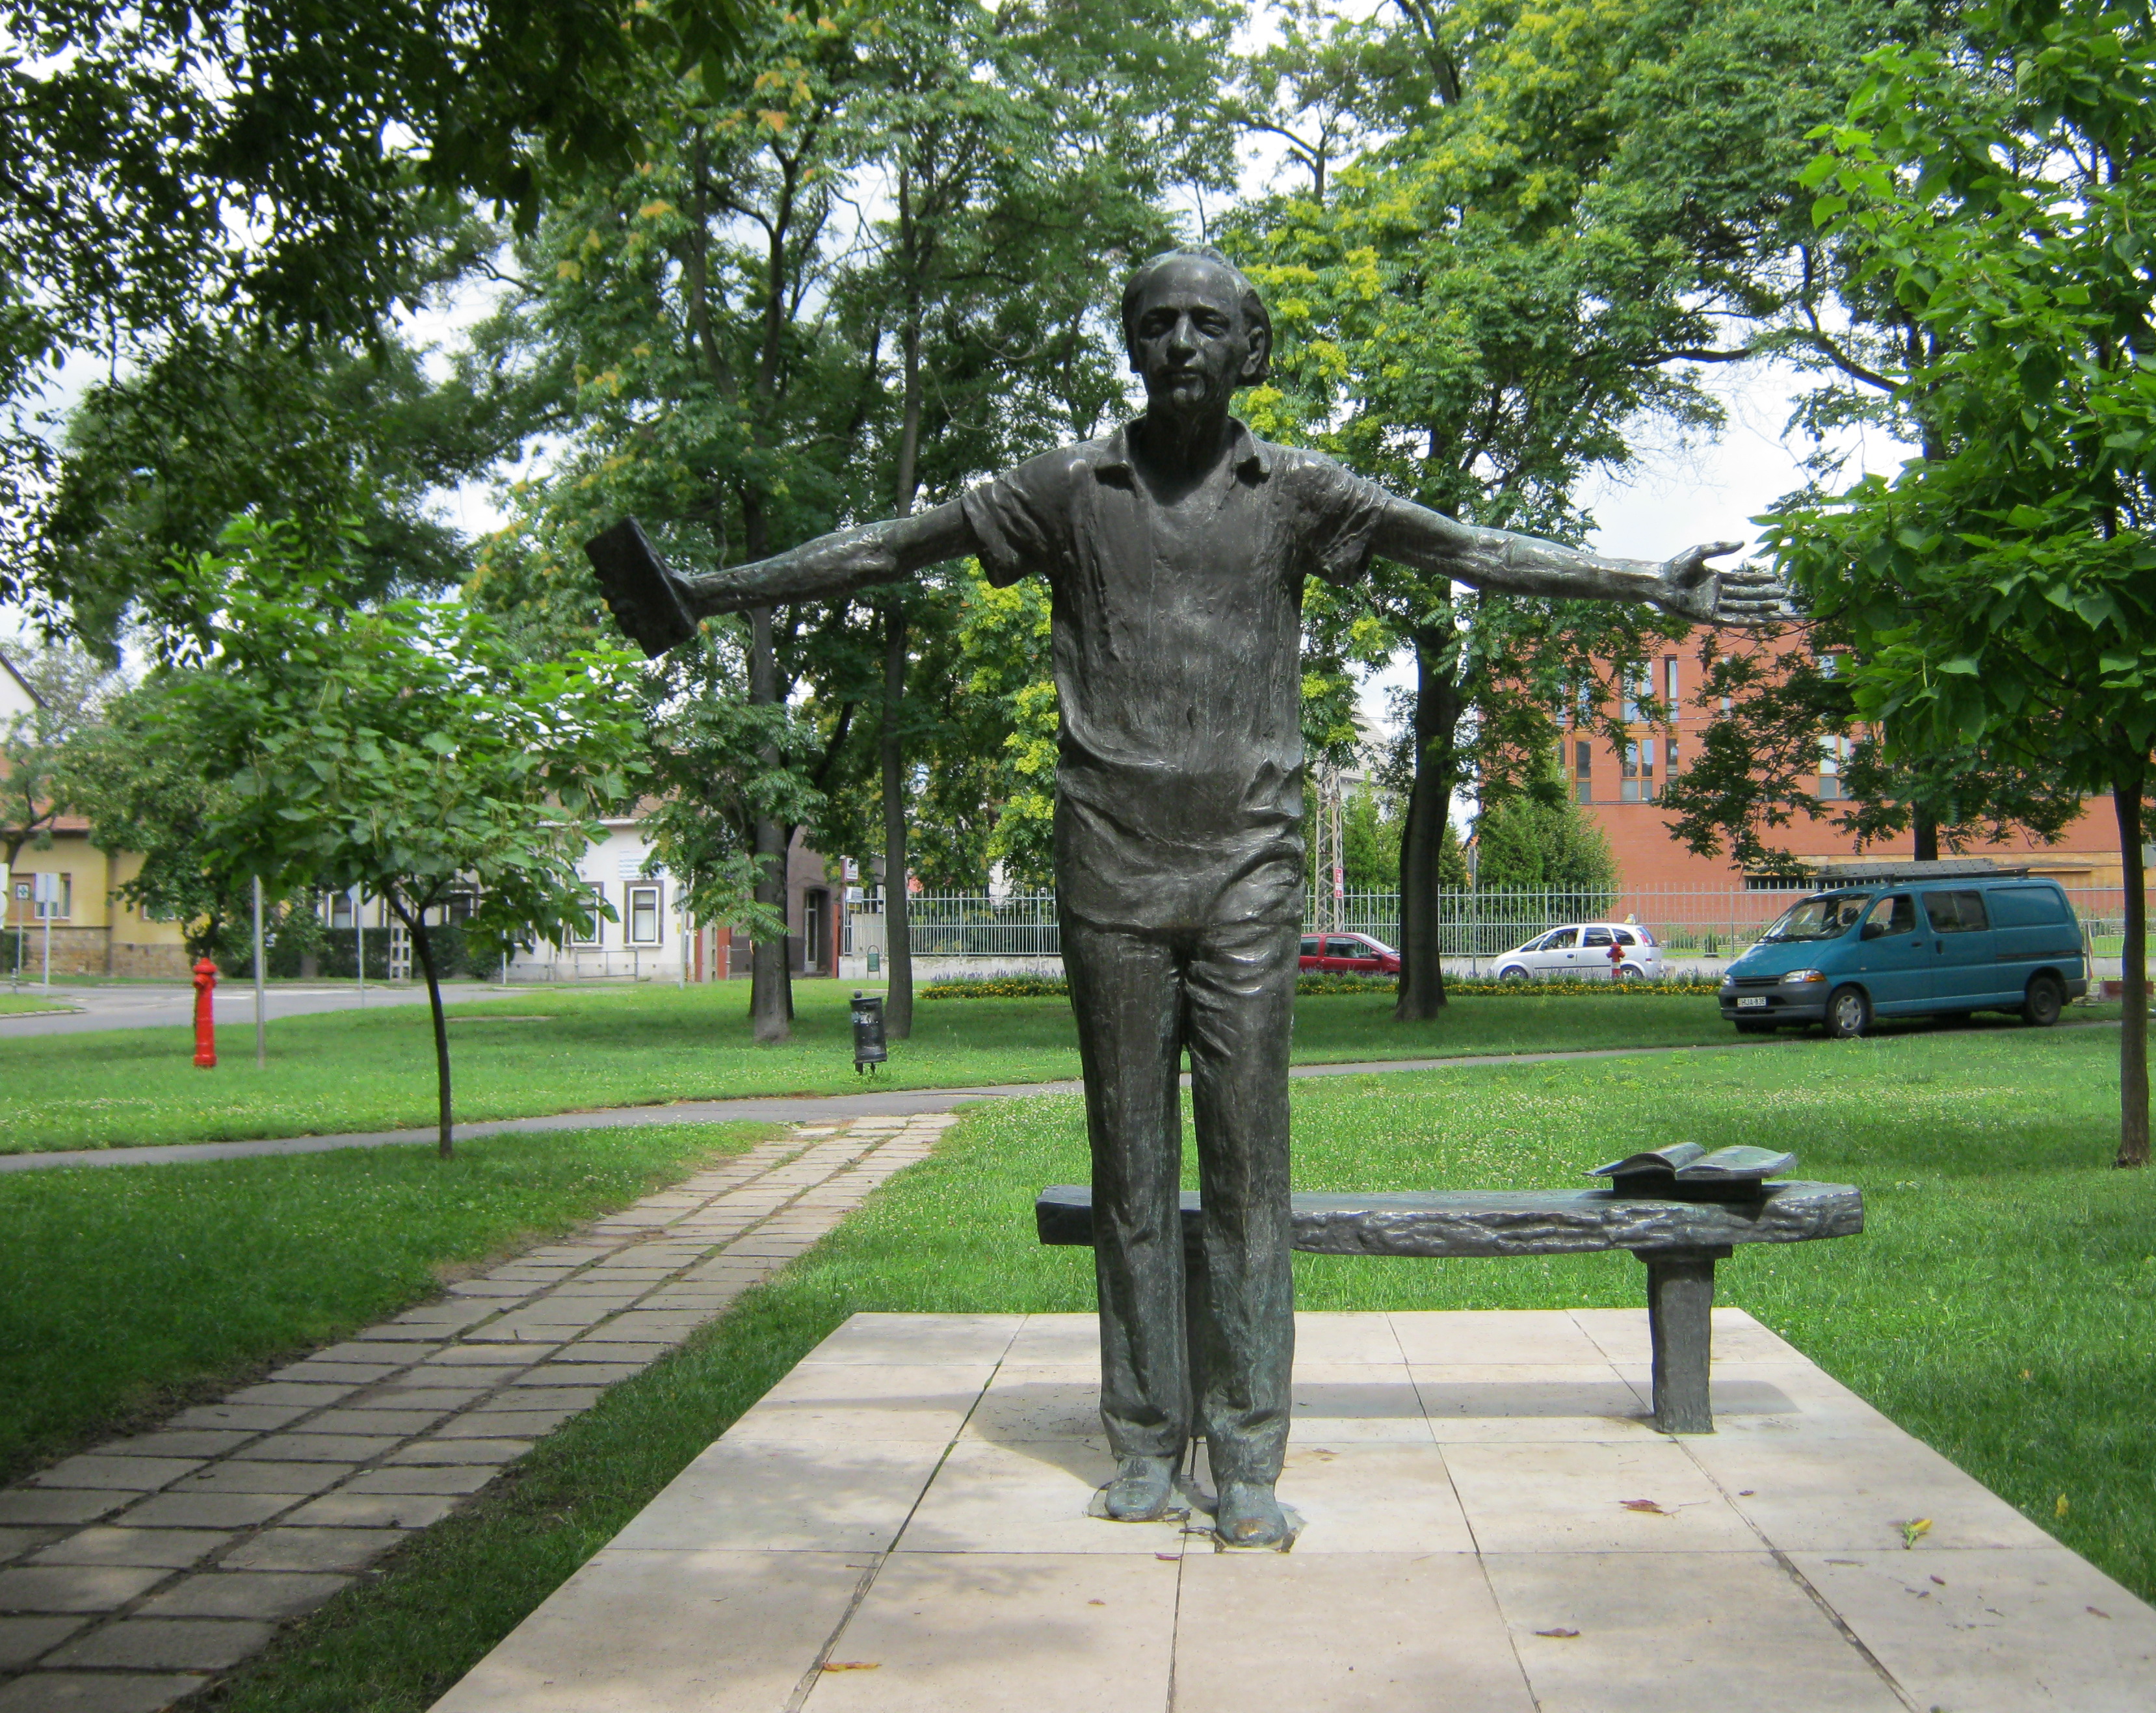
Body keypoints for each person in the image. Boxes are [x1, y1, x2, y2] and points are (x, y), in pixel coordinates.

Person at [586, 248, 1791, 1547]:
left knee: (1251, 1162)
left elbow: (1467, 549)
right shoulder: (1069, 489)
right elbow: (893, 545)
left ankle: (1251, 1452)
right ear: (1130, 344)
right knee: (1130, 1166)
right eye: (1156, 323)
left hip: (1248, 871)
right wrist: (710, 594)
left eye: (1207, 324)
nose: (1180, 344)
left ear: (1248, 350)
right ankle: (1146, 1440)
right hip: (1109, 862)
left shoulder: (1296, 493)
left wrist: (1645, 584)